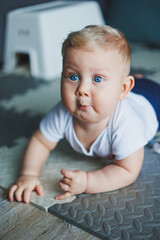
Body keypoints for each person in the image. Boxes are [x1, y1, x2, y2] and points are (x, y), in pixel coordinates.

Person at [7, 25, 159, 204]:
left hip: (151, 101)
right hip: (125, 91)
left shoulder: (127, 123)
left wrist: (88, 181)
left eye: (97, 79)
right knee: (123, 82)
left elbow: (127, 171)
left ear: (123, 89)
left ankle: (138, 81)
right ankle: (132, 79)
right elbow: (40, 141)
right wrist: (28, 174)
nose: (82, 90)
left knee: (148, 88)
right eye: (73, 77)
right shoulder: (62, 113)